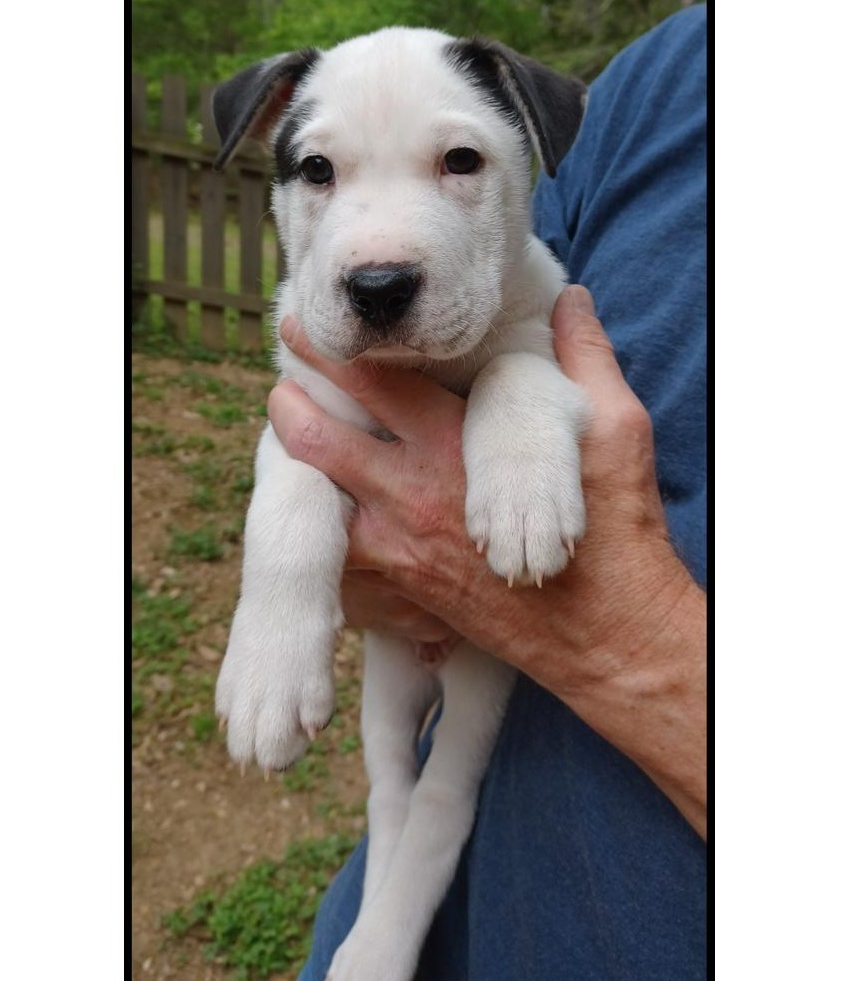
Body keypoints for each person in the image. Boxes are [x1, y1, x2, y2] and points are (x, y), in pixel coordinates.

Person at [269, 5, 707, 978]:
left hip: (563, 789)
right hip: (403, 629)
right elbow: (298, 430)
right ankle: (376, 919)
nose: (376, 250)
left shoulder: (530, 276)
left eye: (458, 163)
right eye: (318, 171)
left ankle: (382, 939)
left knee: (449, 764)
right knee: (391, 763)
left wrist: (514, 403)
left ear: (525, 152)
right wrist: (285, 591)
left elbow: (542, 352)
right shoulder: (673, 81)